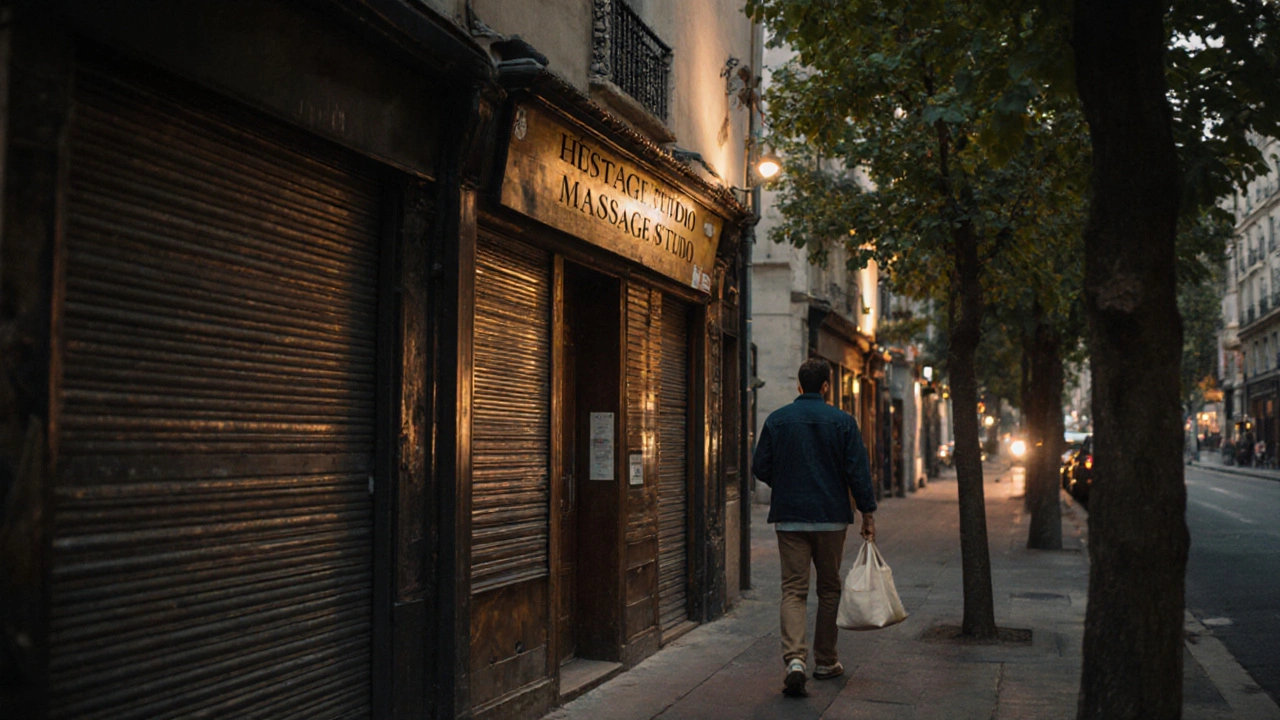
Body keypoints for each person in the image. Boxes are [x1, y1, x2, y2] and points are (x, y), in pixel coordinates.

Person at [752, 358, 877, 697]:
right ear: (825, 387)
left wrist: (787, 482)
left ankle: (795, 660)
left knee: (793, 589)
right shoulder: (843, 422)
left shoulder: (777, 420)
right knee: (828, 589)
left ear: (798, 385)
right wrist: (867, 511)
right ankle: (826, 660)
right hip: (831, 518)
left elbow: (759, 465)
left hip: (790, 517)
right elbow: (858, 472)